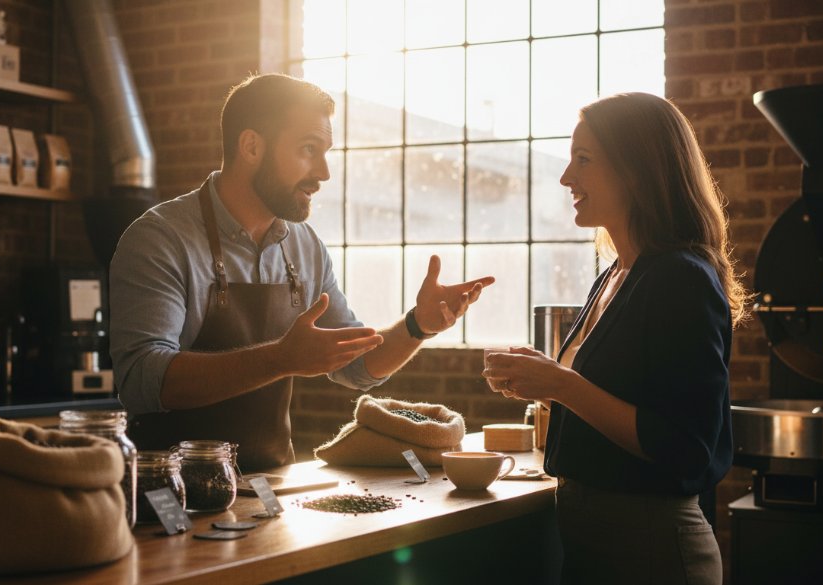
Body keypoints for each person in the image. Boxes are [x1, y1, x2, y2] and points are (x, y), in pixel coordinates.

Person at [110, 73, 494, 471]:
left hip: (271, 484)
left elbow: (356, 367)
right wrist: (279, 359)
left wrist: (418, 326)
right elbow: (143, 380)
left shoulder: (304, 245)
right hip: (171, 490)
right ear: (252, 146)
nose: (324, 173)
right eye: (308, 149)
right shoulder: (161, 239)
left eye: (326, 152)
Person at [482, 92, 748, 585]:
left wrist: (561, 384)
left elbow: (686, 446)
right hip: (595, 548)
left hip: (653, 554)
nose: (566, 178)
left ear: (637, 170)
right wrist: (544, 377)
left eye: (583, 160)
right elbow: (615, 395)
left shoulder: (680, 278)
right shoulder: (614, 274)